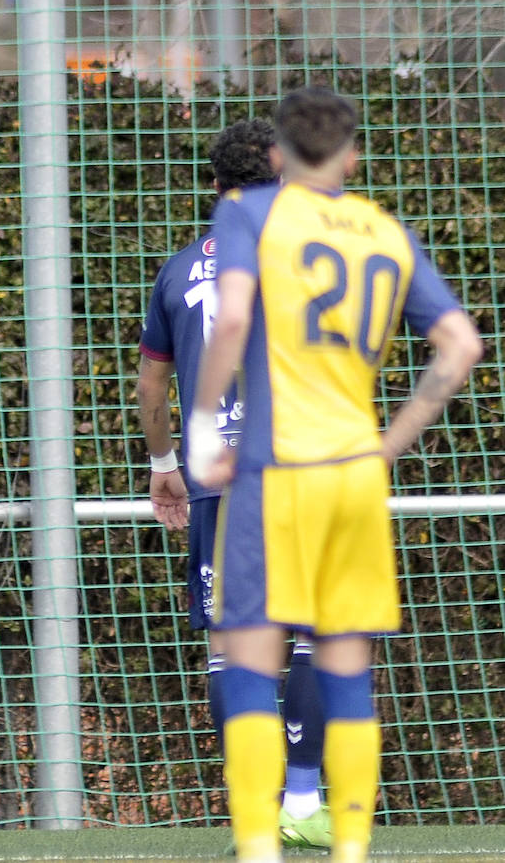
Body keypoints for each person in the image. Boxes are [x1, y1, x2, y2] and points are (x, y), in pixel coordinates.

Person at [186, 86, 482, 863]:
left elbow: (238, 317)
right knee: (347, 661)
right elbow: (461, 346)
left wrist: (201, 420)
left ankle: (259, 845)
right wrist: (392, 440)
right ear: (352, 154)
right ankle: (350, 847)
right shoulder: (386, 231)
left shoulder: (251, 214)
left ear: (278, 153)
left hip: (271, 469)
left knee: (252, 656)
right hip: (354, 475)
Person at [138, 118, 333, 848]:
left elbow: (153, 386)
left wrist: (163, 468)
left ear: (215, 189)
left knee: (232, 645)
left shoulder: (179, 269)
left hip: (216, 476)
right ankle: (304, 795)